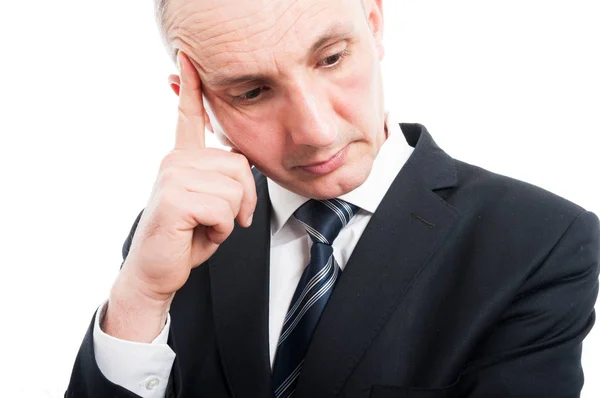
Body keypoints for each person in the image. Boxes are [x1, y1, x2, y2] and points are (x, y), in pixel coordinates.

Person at [66, 0, 600, 397]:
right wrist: (140, 296)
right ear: (198, 102)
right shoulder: (172, 239)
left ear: (373, 21)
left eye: (331, 59)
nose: (316, 132)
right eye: (252, 92)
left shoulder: (542, 242)